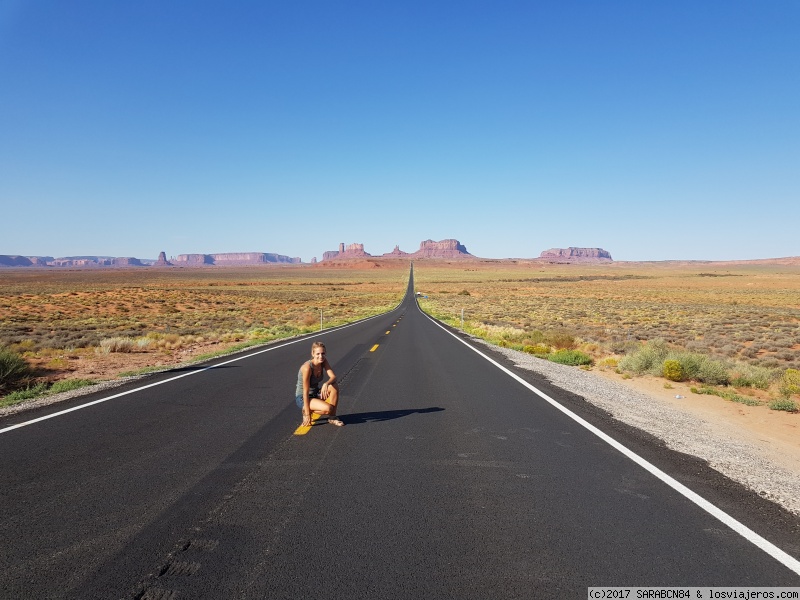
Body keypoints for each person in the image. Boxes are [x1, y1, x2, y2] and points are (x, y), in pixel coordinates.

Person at [296, 341, 344, 427]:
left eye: (323, 353)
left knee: (334, 386)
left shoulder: (323, 361)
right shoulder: (307, 368)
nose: (321, 356)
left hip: (315, 393)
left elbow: (333, 377)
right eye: (318, 354)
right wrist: (307, 414)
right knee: (328, 409)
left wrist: (326, 383)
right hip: (303, 397)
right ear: (313, 353)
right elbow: (305, 392)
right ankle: (306, 410)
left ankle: (332, 417)